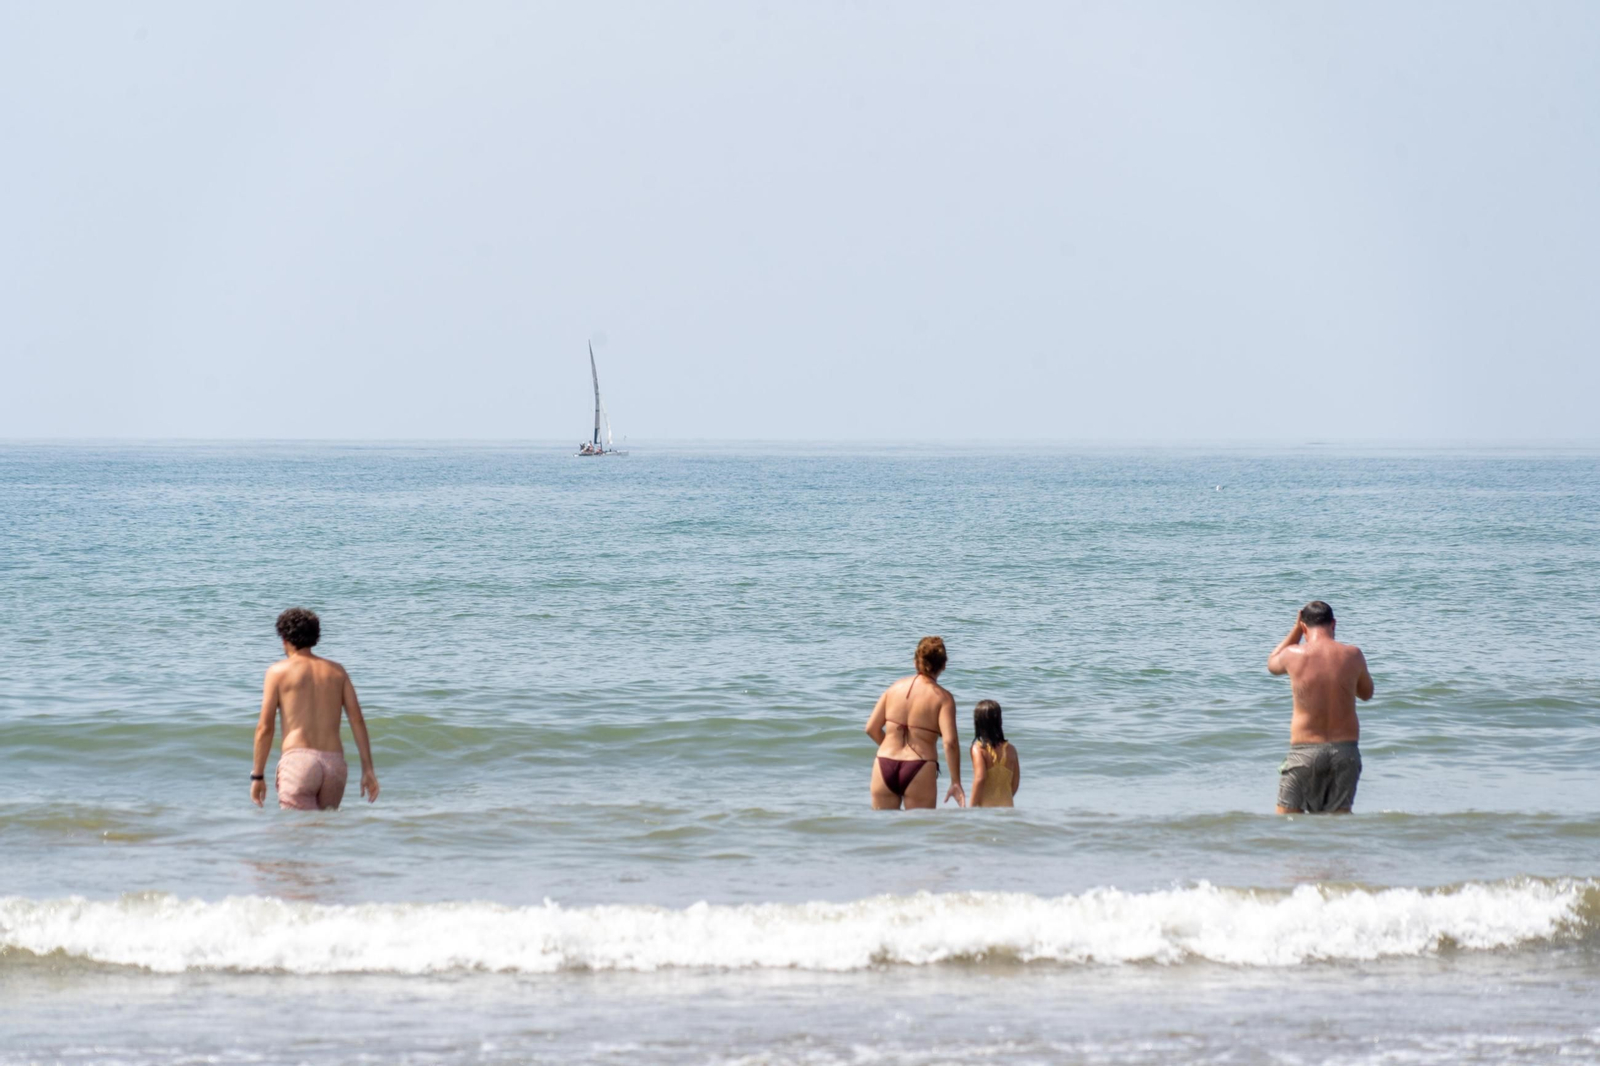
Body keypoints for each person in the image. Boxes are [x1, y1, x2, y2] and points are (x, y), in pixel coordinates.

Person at [251, 607, 379, 810]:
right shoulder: (337, 671)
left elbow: (264, 728)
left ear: (284, 638)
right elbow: (357, 721)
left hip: (299, 762)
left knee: (298, 836)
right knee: (325, 835)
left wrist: (257, 775)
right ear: (315, 636)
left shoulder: (277, 672)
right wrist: (368, 769)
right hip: (334, 764)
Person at [1266, 600, 1374, 814]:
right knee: (1338, 825)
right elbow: (1366, 693)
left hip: (1304, 752)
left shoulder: (1292, 654)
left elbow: (1272, 664)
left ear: (1304, 626)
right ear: (1334, 624)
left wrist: (1296, 630)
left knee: (1287, 824)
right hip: (1345, 752)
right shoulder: (1353, 654)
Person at [864, 637, 965, 809]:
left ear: (915, 661)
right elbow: (950, 743)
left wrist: (891, 748)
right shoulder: (943, 698)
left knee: (882, 831)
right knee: (921, 831)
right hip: (920, 767)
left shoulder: (894, 688)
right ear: (944, 665)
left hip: (884, 763)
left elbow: (871, 728)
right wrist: (955, 781)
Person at [968, 699, 1020, 808]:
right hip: (1008, 808)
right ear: (999, 721)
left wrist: (971, 807)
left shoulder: (978, 749)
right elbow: (1015, 782)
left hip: (986, 812)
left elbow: (980, 778)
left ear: (978, 722)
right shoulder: (1011, 749)